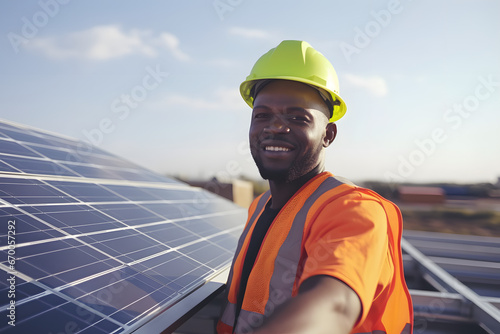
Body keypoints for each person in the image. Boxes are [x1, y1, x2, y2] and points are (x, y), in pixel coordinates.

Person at [217, 40, 413, 334]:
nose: (275, 127)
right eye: (263, 115)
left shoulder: (353, 210)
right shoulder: (259, 206)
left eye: (298, 117)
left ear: (328, 135)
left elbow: (335, 306)